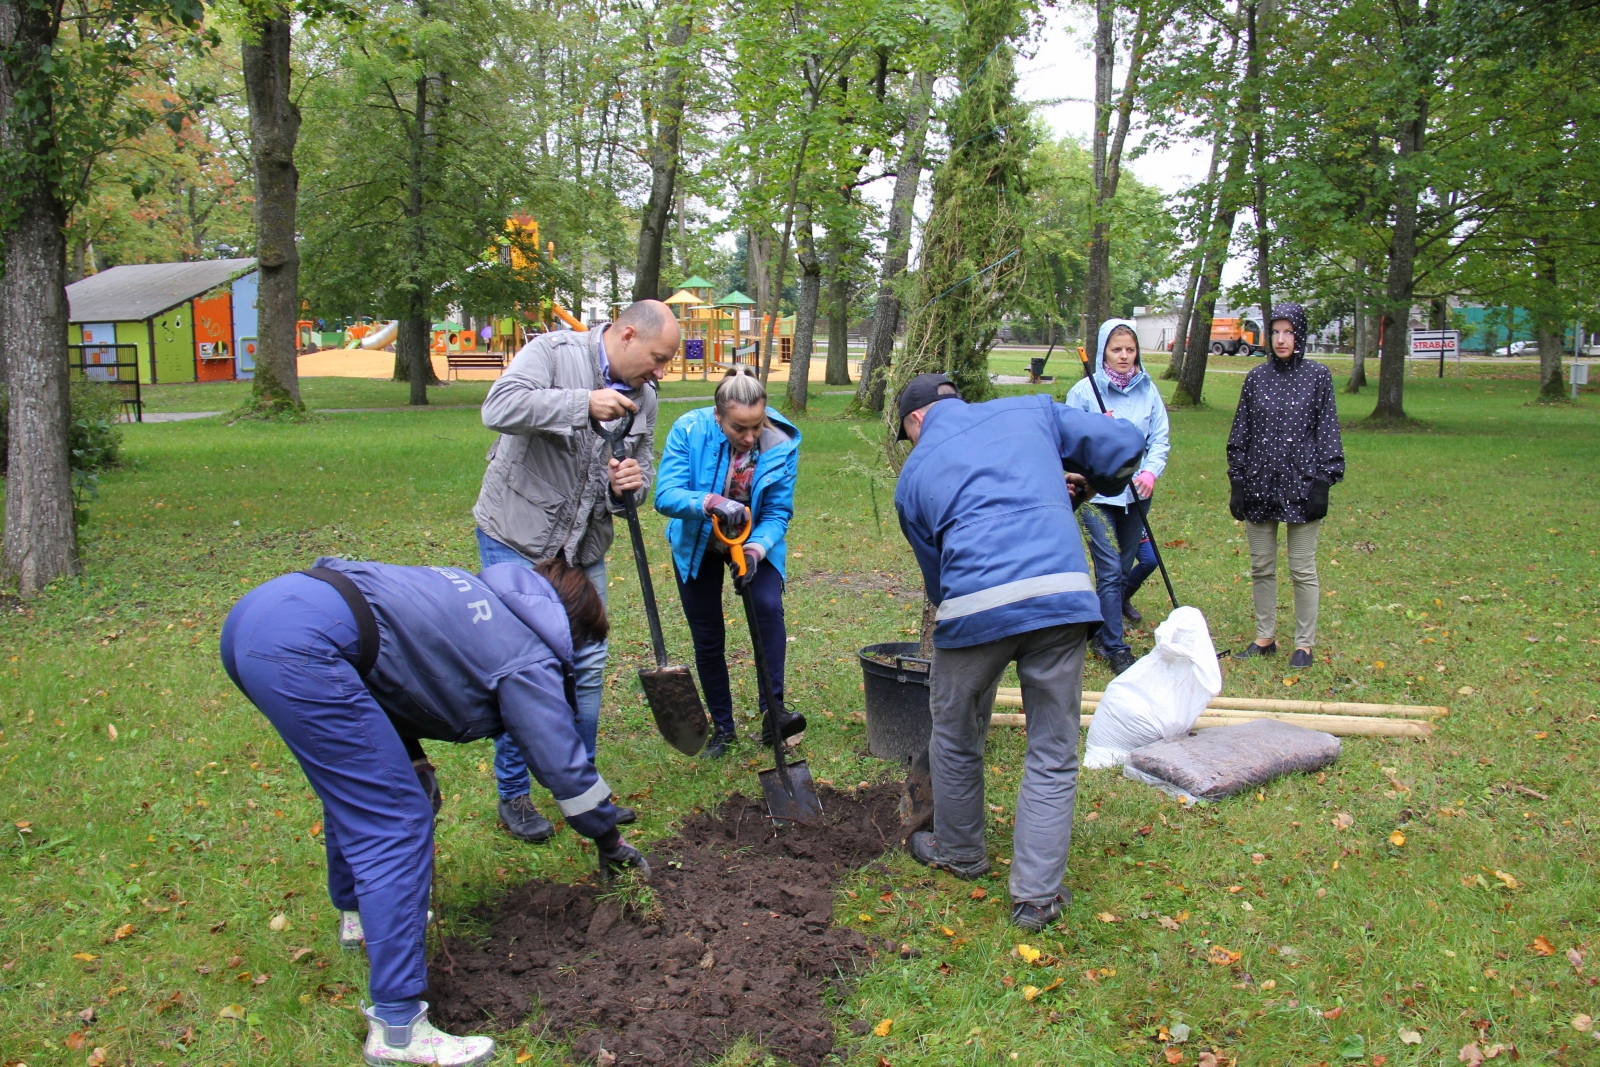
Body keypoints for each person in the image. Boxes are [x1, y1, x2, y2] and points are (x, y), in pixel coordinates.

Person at [220, 557, 647, 1067]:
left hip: (261, 616)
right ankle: (398, 1027)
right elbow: (563, 768)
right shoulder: (527, 652)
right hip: (304, 647)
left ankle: (359, 918)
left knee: (364, 792)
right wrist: (610, 841)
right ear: (572, 626)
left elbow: (386, 664)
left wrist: (413, 757)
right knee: (396, 820)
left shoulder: (482, 595)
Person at [893, 373, 1145, 931]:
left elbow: (938, 585)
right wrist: (1080, 486)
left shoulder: (911, 477)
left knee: (955, 735)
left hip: (974, 611)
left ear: (915, 422)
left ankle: (961, 854)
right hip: (1061, 600)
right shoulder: (1031, 410)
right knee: (1052, 749)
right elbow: (1126, 444)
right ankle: (1035, 898)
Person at [472, 300, 678, 842]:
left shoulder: (645, 398)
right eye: (657, 358)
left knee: (585, 670)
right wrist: (582, 404)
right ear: (627, 335)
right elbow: (498, 407)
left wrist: (629, 484)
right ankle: (514, 795)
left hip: (583, 550)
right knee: (523, 669)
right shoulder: (553, 353)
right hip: (516, 538)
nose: (660, 372)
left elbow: (641, 465)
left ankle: (580, 792)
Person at [653, 367, 804, 758]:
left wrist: (756, 550)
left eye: (757, 425)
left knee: (768, 608)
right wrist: (710, 502)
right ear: (718, 417)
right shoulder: (690, 430)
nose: (750, 436)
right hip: (698, 543)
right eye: (739, 428)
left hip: (750, 540)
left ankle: (774, 712)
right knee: (708, 635)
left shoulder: (780, 443)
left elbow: (777, 512)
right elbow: (666, 494)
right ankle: (723, 727)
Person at [1227, 301, 1345, 670]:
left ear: (1300, 335)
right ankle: (1265, 638)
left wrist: (1323, 483)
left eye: (1288, 332)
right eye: (1275, 332)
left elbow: (1327, 431)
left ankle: (1304, 644)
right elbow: (1240, 434)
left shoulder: (1317, 376)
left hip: (1302, 485)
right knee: (1261, 565)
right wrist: (1237, 482)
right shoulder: (1256, 378)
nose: (1281, 339)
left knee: (1301, 568)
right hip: (1260, 484)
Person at [1064, 319, 1171, 674]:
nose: (1124, 357)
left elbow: (1160, 438)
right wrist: (1097, 430)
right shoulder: (1084, 392)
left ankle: (1098, 629)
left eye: (1130, 349)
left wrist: (1150, 471)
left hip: (1135, 495)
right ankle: (1115, 646)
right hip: (1095, 497)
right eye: (1116, 350)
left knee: (1123, 566)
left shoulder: (1148, 391)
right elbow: (1067, 444)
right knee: (1109, 569)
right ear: (1102, 353)